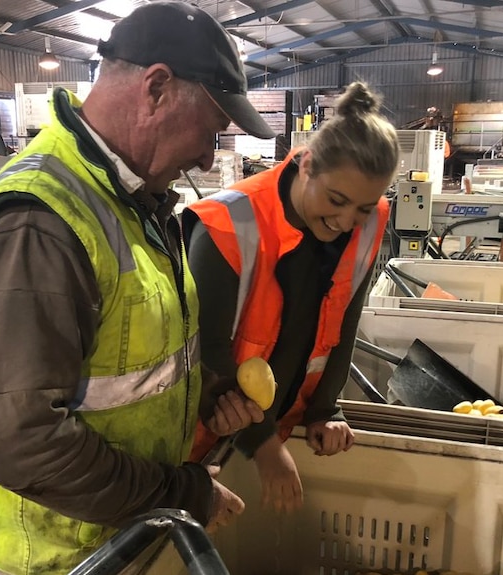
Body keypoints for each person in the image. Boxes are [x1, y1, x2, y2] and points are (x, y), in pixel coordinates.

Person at [0, 3, 275, 574]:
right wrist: (183, 495)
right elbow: (21, 441)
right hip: (55, 560)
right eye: (212, 130)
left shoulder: (137, 202)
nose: (207, 155)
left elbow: (128, 363)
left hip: (120, 543)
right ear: (156, 89)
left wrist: (208, 393)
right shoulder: (39, 225)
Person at [184, 81, 399, 514]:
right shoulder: (228, 224)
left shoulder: (369, 220)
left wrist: (325, 411)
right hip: (205, 445)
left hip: (283, 424)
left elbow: (345, 324)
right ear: (307, 166)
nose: (345, 220)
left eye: (362, 206)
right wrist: (262, 446)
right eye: (336, 200)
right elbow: (207, 358)